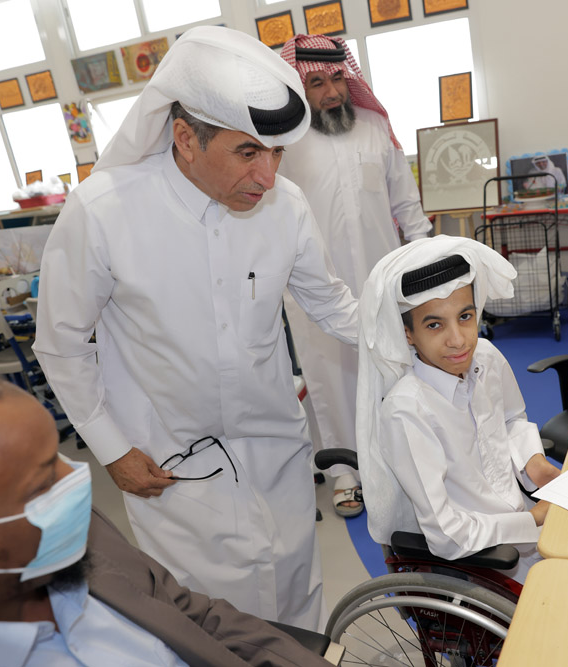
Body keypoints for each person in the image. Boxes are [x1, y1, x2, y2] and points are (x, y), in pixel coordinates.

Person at [32, 26, 358, 629]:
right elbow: (61, 342)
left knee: (297, 601)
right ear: (185, 138)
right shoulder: (103, 211)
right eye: (248, 153)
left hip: (276, 452)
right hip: (171, 467)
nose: (267, 177)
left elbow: (331, 304)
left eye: (277, 154)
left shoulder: (285, 206)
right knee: (210, 624)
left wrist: (413, 328)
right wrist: (112, 450)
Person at [0, 372, 333, 667]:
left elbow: (196, 616)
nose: (75, 481)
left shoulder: (87, 541)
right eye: (42, 484)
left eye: (59, 458)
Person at [279, 34, 432, 518]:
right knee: (330, 377)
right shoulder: (283, 140)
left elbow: (406, 203)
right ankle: (345, 472)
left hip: (382, 276)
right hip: (314, 286)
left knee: (393, 366)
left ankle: (400, 460)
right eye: (317, 83)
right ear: (299, 87)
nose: (331, 93)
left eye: (338, 79)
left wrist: (428, 262)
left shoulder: (374, 126)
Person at [356, 236, 561, 583]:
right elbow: (446, 534)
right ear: (408, 334)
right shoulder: (407, 412)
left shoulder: (487, 357)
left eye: (465, 317)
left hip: (525, 516)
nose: (458, 339)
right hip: (483, 559)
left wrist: (534, 462)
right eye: (434, 325)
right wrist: (534, 520)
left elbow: (511, 419)